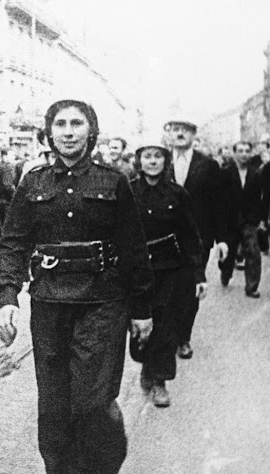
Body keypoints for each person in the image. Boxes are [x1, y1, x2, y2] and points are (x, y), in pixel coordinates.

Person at [0, 98, 154, 474]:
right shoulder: (33, 183)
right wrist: (7, 296)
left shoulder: (113, 180)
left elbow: (133, 247)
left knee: (93, 403)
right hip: (49, 303)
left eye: (77, 124)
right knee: (53, 406)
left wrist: (143, 309)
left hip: (102, 302)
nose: (68, 132)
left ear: (90, 131)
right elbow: (12, 242)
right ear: (49, 132)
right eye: (61, 124)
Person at [130, 137, 205, 408]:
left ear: (165, 160)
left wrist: (198, 274)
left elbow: (190, 235)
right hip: (137, 271)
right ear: (139, 160)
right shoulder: (128, 192)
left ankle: (159, 379)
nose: (152, 161)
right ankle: (146, 366)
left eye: (158, 156)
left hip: (170, 270)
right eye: (147, 156)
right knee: (139, 327)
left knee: (165, 325)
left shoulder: (177, 194)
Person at [164, 118, 229, 359]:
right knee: (166, 287)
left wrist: (222, 239)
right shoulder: (159, 160)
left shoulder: (208, 165)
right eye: (176, 129)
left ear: (193, 134)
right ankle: (167, 335)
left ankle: (183, 337)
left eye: (186, 130)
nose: (180, 134)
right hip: (164, 238)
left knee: (193, 287)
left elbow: (219, 204)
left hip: (200, 238)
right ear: (168, 134)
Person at [219, 141, 264, 297]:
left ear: (250, 153)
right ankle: (225, 274)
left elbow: (259, 198)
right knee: (228, 254)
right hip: (230, 220)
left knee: (253, 252)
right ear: (234, 153)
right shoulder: (225, 173)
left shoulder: (255, 174)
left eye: (246, 151)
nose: (244, 154)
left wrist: (259, 219)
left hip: (249, 221)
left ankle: (251, 287)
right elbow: (219, 199)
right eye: (240, 151)